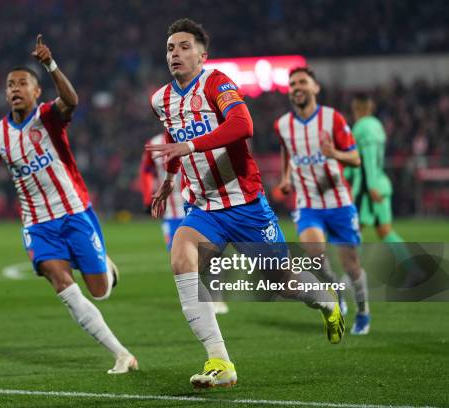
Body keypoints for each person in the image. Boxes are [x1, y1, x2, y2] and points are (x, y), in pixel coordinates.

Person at [147, 19, 344, 389]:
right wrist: (171, 178)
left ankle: (326, 299)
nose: (175, 53)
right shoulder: (161, 99)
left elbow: (243, 125)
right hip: (203, 206)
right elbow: (176, 139)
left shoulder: (218, 83)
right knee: (181, 259)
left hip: (245, 204)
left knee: (279, 281)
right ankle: (220, 361)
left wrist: (190, 146)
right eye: (171, 47)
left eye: (185, 46)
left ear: (202, 55)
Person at [0, 34, 137, 374]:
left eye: (22, 84)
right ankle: (122, 354)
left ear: (36, 91)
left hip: (74, 212)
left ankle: (105, 265)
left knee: (100, 291)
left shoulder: (48, 117)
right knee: (61, 283)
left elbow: (71, 100)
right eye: (10, 85)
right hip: (38, 224)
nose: (15, 89)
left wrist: (50, 65)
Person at [275, 67, 370, 335]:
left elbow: (355, 159)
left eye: (302, 81)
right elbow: (286, 150)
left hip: (339, 202)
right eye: (292, 83)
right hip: (308, 204)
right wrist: (285, 178)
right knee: (315, 256)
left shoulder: (333, 119)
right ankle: (337, 293)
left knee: (351, 266)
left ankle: (363, 312)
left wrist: (334, 153)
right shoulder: (283, 124)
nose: (297, 86)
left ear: (315, 87)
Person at [140, 134, 228, 314]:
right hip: (172, 213)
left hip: (200, 206)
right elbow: (146, 170)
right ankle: (198, 300)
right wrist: (147, 195)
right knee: (180, 258)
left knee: (210, 253)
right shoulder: (154, 144)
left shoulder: (199, 135)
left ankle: (216, 297)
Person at [348, 93, 423, 287]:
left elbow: (368, 158)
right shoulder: (377, 126)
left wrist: (370, 185)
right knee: (385, 231)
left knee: (353, 230)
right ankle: (413, 270)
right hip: (381, 183)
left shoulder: (362, 127)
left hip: (367, 188)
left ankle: (352, 277)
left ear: (358, 109)